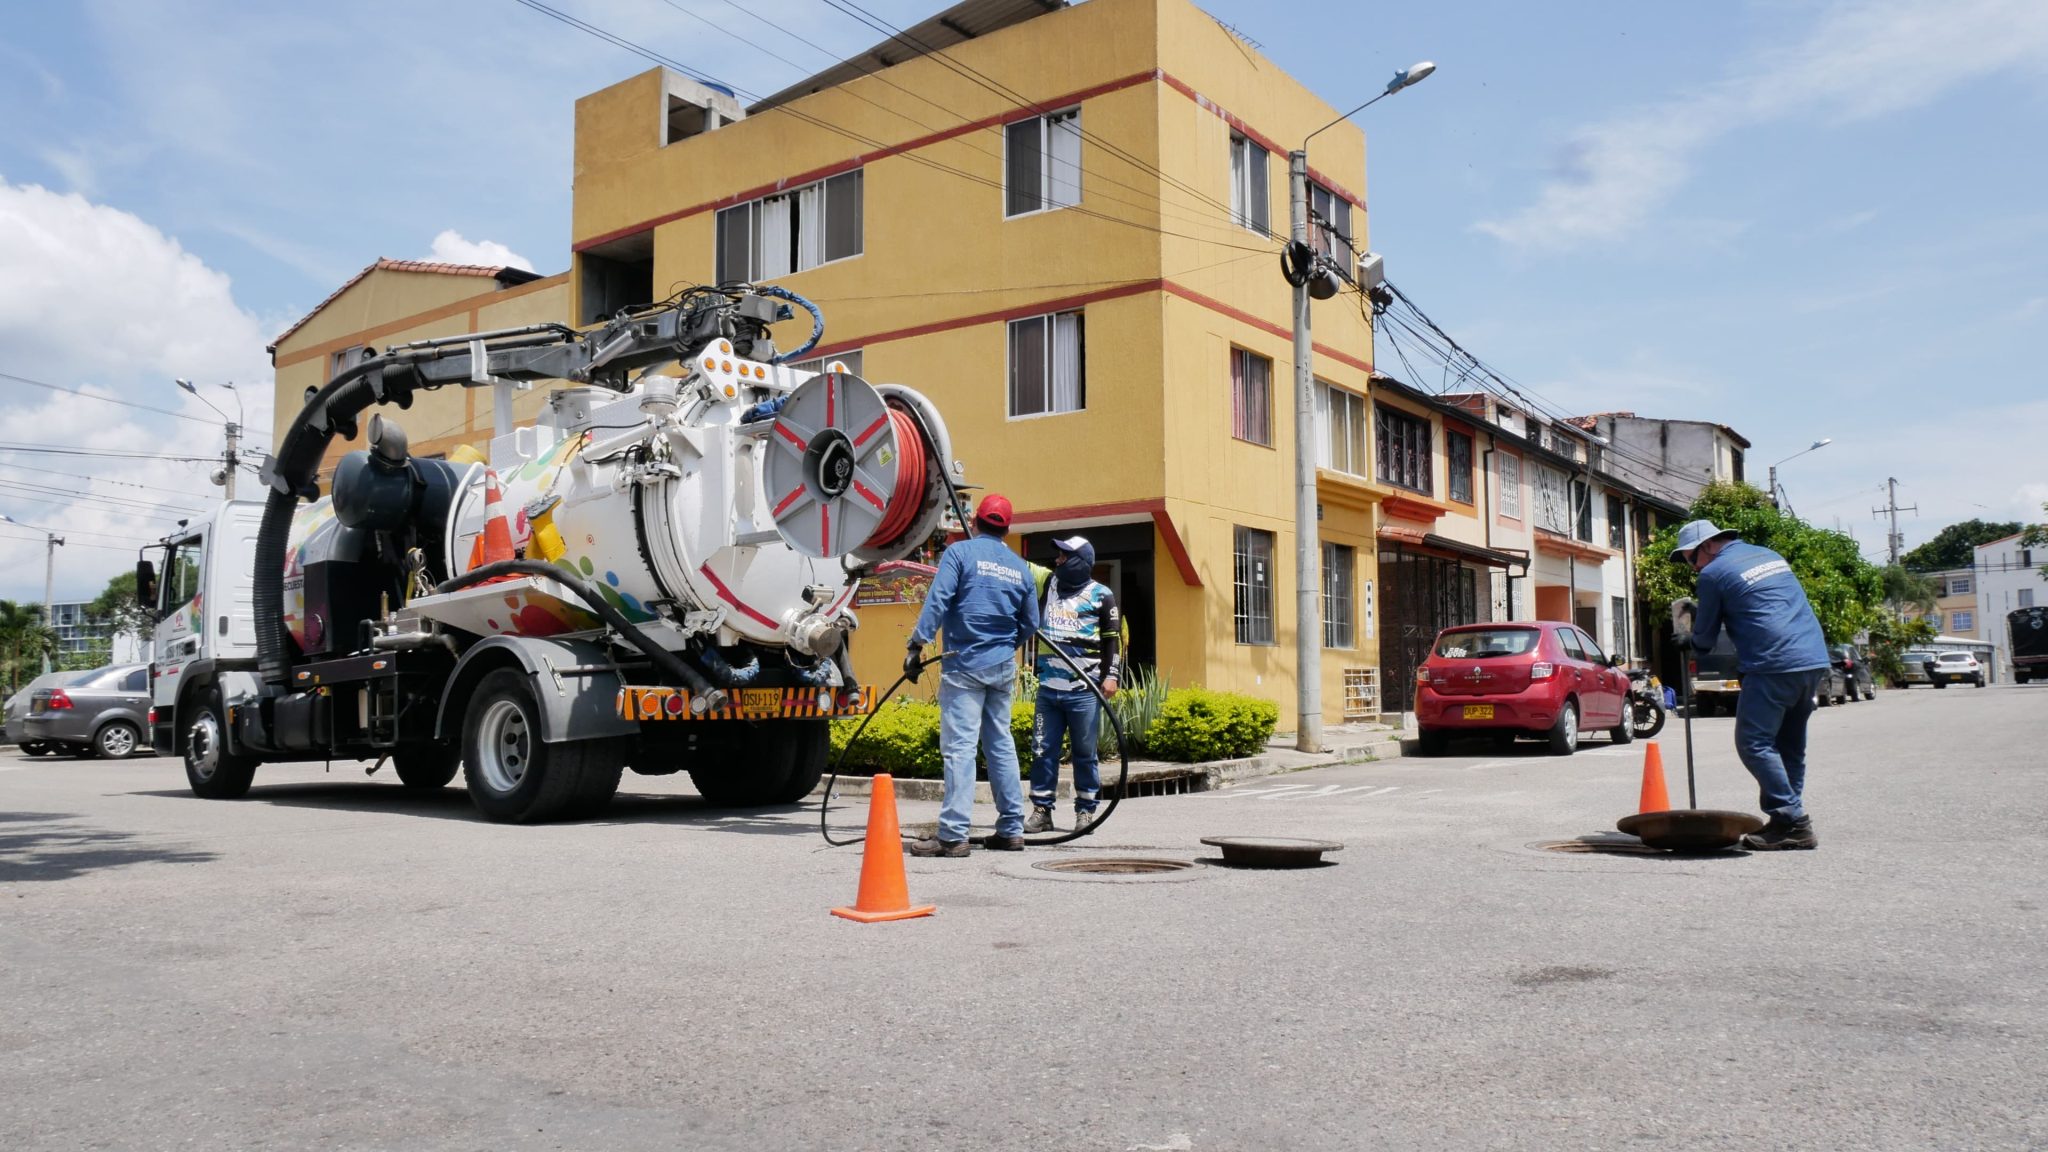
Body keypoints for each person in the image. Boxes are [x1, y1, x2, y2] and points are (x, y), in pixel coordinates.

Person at [1672, 519, 1830, 850]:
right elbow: (1758, 604)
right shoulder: (1768, 555)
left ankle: (1794, 820)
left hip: (1773, 663)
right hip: (1812, 659)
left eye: (1691, 558)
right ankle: (1787, 822)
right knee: (1789, 744)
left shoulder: (1712, 573)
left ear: (1708, 546)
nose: (1693, 567)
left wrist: (1689, 638)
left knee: (1754, 743)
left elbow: (1705, 638)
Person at [903, 494, 1039, 857]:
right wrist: (1006, 644)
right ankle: (1012, 830)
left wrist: (916, 645)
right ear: (1007, 530)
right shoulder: (1020, 568)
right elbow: (1031, 623)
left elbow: (938, 601)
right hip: (1001, 667)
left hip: (964, 665)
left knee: (960, 748)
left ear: (975, 522)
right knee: (1001, 744)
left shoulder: (959, 554)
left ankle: (953, 835)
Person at [1025, 535, 1122, 833]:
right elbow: (1016, 564)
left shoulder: (1101, 595)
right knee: (1042, 750)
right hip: (1049, 690)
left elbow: (1111, 639)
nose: (1058, 560)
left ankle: (1085, 812)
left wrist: (1111, 675)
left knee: (1084, 753)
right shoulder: (1047, 583)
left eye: (1065, 556)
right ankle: (1042, 810)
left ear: (1080, 561)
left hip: (1085, 691)